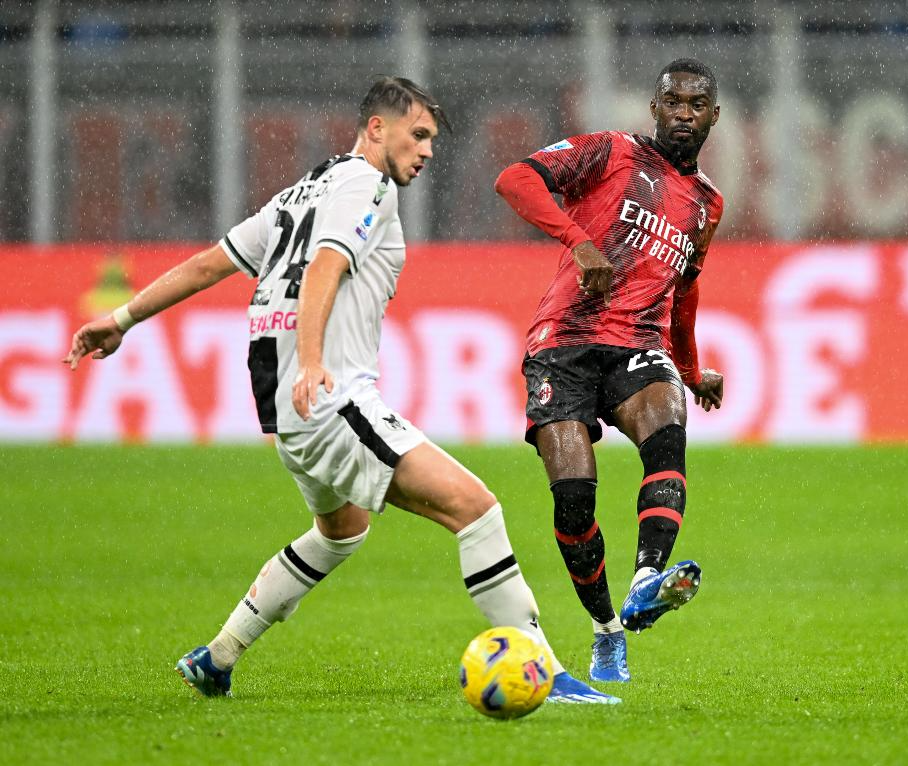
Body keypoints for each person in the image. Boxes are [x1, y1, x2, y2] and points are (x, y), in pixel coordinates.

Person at [64, 76, 617, 705]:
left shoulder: (301, 192)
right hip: (329, 398)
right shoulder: (367, 185)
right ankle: (546, 672)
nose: (427, 151)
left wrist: (122, 318)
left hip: (286, 408)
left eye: (432, 139)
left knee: (341, 530)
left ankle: (217, 657)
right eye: (418, 134)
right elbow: (326, 266)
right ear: (377, 128)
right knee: (476, 509)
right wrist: (311, 361)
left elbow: (209, 264)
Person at [494, 59, 726, 684]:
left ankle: (647, 580)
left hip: (638, 345)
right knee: (574, 503)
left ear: (714, 115)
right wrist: (579, 242)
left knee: (667, 425)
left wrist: (690, 370)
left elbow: (684, 291)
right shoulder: (611, 152)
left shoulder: (707, 203)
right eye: (673, 102)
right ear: (654, 108)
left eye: (696, 105)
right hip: (564, 343)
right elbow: (515, 179)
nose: (683, 114)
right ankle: (605, 630)